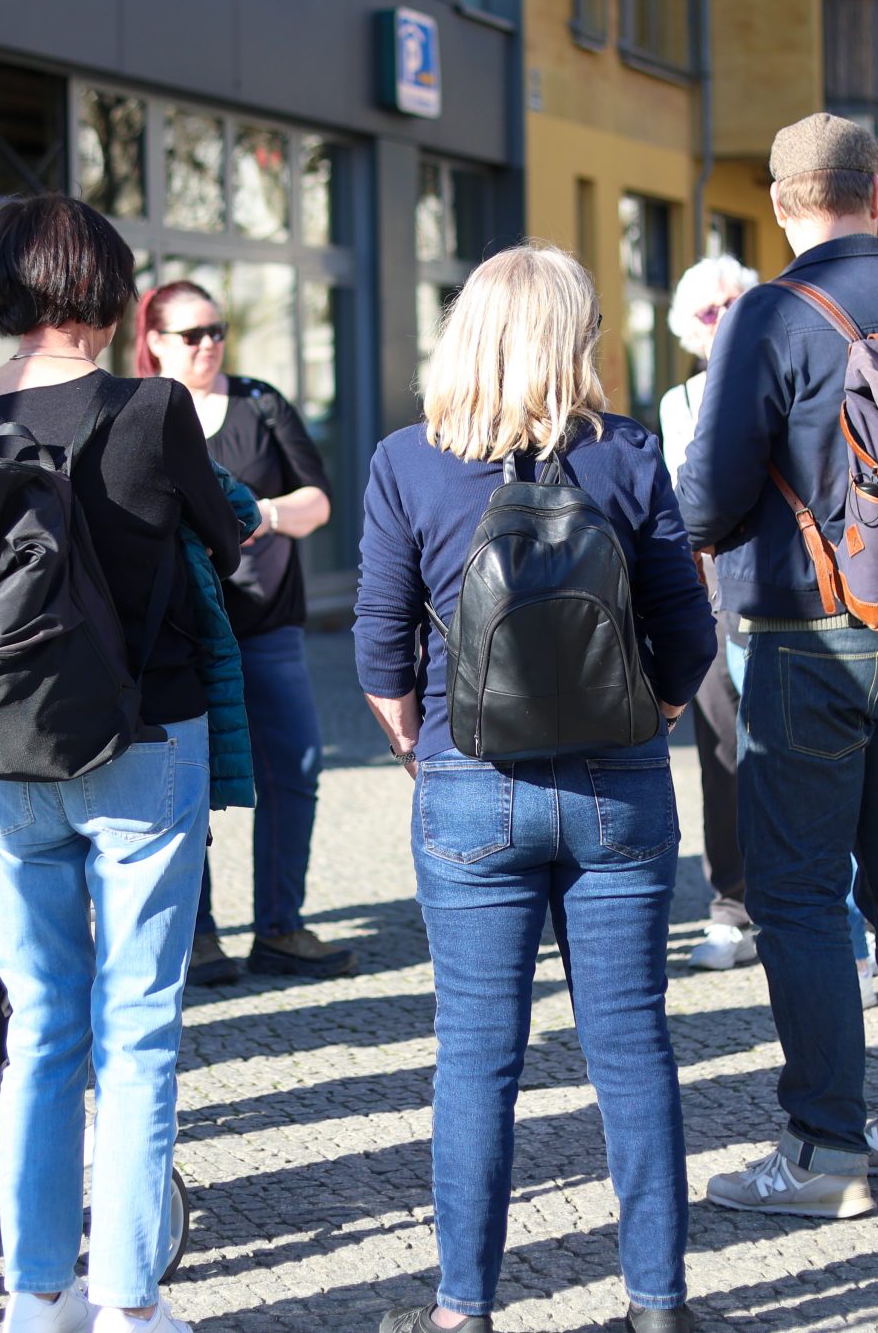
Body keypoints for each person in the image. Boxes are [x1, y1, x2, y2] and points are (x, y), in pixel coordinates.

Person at [355, 241, 713, 1333]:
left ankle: (463, 1310)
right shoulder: (626, 455)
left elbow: (378, 646)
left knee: (475, 1054)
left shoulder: (407, 461)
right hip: (617, 782)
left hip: (469, 777)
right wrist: (651, 717)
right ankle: (657, 1306)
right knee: (632, 1048)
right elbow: (687, 634)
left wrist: (420, 747)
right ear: (576, 341)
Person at [0, 196, 242, 1333]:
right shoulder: (153, 407)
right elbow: (225, 542)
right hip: (145, 737)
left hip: (3, 743)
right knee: (138, 1025)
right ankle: (127, 1303)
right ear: (107, 292)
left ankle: (36, 1296)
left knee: (42, 1024)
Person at [676, 113, 878, 1219]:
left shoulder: (770, 314)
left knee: (800, 896)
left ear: (778, 203)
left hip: (811, 638)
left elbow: (706, 498)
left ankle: (821, 1152)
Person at [136, 278, 351, 984]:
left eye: (217, 330)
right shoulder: (142, 412)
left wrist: (262, 513)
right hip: (182, 631)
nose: (209, 345)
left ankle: (280, 928)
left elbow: (319, 499)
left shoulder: (260, 403)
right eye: (192, 334)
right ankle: (197, 936)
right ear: (155, 341)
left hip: (267, 623)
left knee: (295, 767)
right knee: (185, 781)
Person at [657, 254, 760, 974]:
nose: (722, 318)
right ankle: (732, 907)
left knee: (806, 748)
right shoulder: (681, 402)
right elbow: (682, 501)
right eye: (707, 310)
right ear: (687, 329)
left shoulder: (781, 376)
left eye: (733, 303)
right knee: (722, 753)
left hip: (789, 586)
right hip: (716, 589)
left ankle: (826, 910)